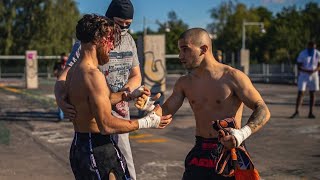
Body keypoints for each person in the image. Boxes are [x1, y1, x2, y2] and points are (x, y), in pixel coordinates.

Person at [136, 28, 271, 180]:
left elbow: (263, 110)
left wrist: (242, 134)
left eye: (185, 49)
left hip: (229, 150)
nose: (180, 56)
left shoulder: (233, 77)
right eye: (180, 50)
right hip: (200, 151)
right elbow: (167, 110)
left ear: (204, 49)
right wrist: (149, 108)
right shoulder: (184, 83)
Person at [67, 14, 168, 180]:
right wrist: (149, 121)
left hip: (81, 145)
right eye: (110, 40)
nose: (112, 47)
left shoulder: (74, 71)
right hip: (98, 149)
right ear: (98, 40)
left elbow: (95, 102)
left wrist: (127, 95)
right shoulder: (94, 75)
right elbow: (106, 124)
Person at [54, 0, 145, 179]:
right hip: (96, 122)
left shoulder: (129, 42)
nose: (124, 29)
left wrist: (128, 94)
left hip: (113, 114)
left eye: (128, 25)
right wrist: (61, 100)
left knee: (125, 165)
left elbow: (136, 76)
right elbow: (64, 77)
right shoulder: (88, 56)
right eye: (120, 23)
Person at [290, 41, 320, 119]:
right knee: (301, 92)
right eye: (311, 47)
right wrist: (307, 71)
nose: (313, 49)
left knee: (312, 93)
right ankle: (297, 111)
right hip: (304, 74)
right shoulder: (303, 53)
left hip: (314, 74)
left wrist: (315, 70)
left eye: (314, 47)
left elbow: (319, 65)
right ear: (308, 46)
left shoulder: (317, 53)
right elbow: (299, 66)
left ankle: (311, 112)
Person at [53, 52, 68, 120]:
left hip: (69, 83)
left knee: (69, 100)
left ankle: (70, 115)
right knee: (60, 98)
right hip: (60, 83)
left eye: (65, 57)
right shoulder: (58, 64)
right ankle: (60, 116)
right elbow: (55, 73)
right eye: (62, 57)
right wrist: (60, 72)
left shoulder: (70, 64)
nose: (63, 58)